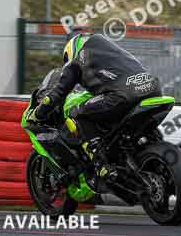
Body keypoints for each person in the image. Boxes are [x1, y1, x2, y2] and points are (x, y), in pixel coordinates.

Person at [32, 32, 161, 179]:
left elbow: (58, 92)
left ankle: (102, 165)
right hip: (152, 87)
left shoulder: (75, 62)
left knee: (77, 113)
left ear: (71, 50)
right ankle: (160, 157)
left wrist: (39, 113)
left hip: (122, 95)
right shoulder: (112, 50)